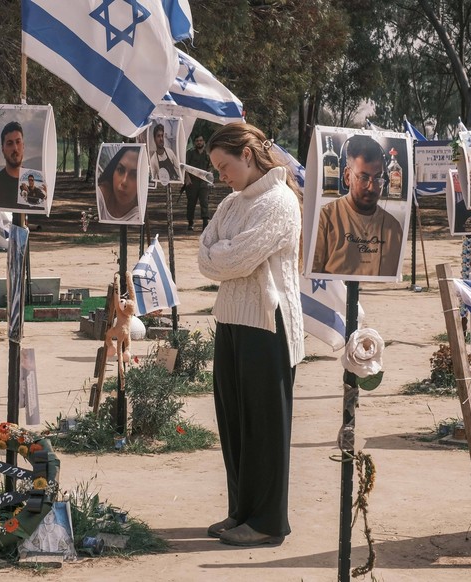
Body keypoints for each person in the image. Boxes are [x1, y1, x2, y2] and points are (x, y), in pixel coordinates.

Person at [197, 122, 303, 547]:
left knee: (264, 425)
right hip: (231, 319)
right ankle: (241, 510)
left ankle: (268, 521)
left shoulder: (278, 202)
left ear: (248, 155)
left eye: (225, 165)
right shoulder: (231, 204)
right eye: (217, 168)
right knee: (235, 422)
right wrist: (222, 254)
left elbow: (235, 258)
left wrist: (222, 254)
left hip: (268, 321)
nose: (222, 175)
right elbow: (205, 254)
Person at [311, 135, 403, 277]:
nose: (372, 188)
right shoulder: (324, 220)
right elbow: (312, 279)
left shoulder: (393, 228)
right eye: (364, 178)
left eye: (378, 178)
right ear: (347, 177)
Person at [96, 146, 140, 223]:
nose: (124, 182)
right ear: (113, 171)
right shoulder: (101, 194)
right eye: (120, 170)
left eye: (134, 175)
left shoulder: (139, 215)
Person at [0, 121, 25, 209]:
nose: (15, 148)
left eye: (18, 142)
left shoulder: (34, 182)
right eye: (9, 143)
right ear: (2, 149)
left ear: (23, 146)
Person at [184, 134, 211, 231]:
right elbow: (185, 167)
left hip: (204, 182)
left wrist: (210, 180)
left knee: (204, 202)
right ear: (195, 142)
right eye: (197, 141)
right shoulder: (190, 153)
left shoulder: (207, 154)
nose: (199, 142)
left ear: (203, 141)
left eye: (200, 140)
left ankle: (205, 223)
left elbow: (210, 167)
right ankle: (190, 222)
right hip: (192, 182)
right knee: (191, 203)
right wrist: (187, 178)